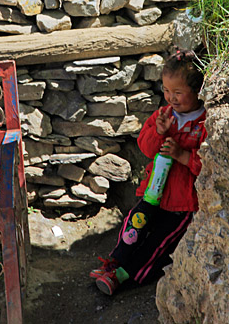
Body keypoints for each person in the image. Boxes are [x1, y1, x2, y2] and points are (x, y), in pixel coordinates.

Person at [90, 49, 207, 295]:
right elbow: (146, 147)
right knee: (135, 224)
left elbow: (209, 163)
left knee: (158, 244)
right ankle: (115, 262)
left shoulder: (203, 124)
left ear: (198, 91)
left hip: (182, 203)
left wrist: (183, 155)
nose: (171, 98)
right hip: (154, 193)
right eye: (166, 90)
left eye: (178, 92)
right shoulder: (163, 116)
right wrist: (160, 132)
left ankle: (124, 277)